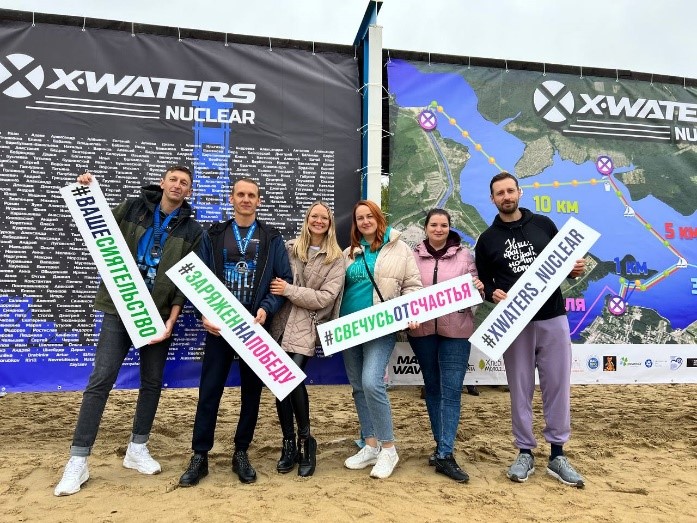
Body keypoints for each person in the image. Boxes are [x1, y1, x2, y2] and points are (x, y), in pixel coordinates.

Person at [54, 166, 206, 496]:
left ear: (189, 191)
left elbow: (184, 281)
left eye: (184, 183)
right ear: (162, 183)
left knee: (151, 382)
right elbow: (99, 228)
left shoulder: (192, 230)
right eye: (173, 180)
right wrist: (87, 190)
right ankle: (78, 460)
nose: (178, 185)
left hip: (157, 316)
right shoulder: (132, 207)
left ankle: (137, 448)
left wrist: (171, 320)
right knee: (101, 379)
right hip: (119, 307)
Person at [474, 171, 586, 488]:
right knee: (520, 389)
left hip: (552, 317)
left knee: (558, 386)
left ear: (519, 192)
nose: (506, 197)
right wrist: (491, 292)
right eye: (500, 193)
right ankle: (525, 452)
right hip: (514, 324)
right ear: (492, 199)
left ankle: (558, 455)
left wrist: (575, 269)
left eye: (510, 191)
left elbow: (567, 266)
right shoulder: (487, 239)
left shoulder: (544, 225)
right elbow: (484, 282)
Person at [178, 177, 292, 486]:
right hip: (219, 327)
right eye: (240, 194)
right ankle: (200, 456)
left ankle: (241, 452)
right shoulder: (213, 235)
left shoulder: (272, 237)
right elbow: (196, 278)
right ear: (231, 199)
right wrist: (203, 313)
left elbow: (283, 279)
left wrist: (267, 308)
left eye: (251, 195)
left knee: (251, 394)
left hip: (253, 327)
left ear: (259, 200)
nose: (245, 199)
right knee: (209, 391)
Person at [340, 200, 421, 479]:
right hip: (349, 328)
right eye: (359, 218)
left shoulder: (400, 248)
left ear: (378, 218)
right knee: (358, 387)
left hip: (381, 326)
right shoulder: (349, 252)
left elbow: (412, 286)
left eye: (369, 216)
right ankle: (371, 445)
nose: (365, 221)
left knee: (371, 382)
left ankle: (388, 448)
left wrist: (411, 311)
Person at [268, 201, 345, 477]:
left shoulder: (336, 258)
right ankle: (288, 443)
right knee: (280, 384)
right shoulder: (289, 248)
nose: (318, 221)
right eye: (314, 216)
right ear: (307, 219)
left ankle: (305, 440)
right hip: (280, 324)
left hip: (306, 327)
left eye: (324, 217)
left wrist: (289, 290)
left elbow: (325, 298)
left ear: (330, 223)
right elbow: (273, 281)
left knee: (292, 379)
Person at [407, 208, 484, 483]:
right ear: (426, 228)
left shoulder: (465, 256)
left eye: (443, 225)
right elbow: (406, 288)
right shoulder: (412, 256)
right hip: (422, 332)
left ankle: (445, 453)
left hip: (457, 333)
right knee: (433, 388)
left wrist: (478, 287)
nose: (438, 229)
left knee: (451, 392)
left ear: (450, 227)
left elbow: (477, 292)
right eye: (434, 225)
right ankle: (441, 448)